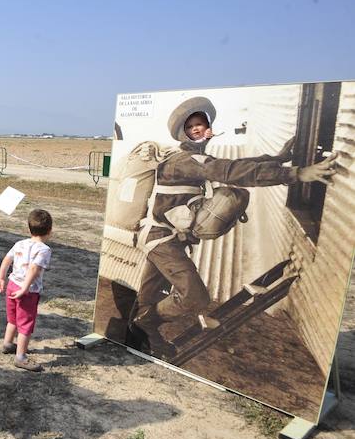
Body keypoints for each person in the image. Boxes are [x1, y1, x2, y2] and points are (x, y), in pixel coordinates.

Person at [127, 97, 338, 359]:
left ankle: (143, 338)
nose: (197, 129)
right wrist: (296, 174)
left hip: (165, 237)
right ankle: (145, 326)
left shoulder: (195, 158)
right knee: (195, 298)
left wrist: (275, 158)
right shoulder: (184, 160)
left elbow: (233, 166)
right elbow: (231, 171)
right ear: (183, 132)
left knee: (147, 298)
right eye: (191, 125)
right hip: (161, 240)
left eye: (201, 123)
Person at [0, 209, 53, 372]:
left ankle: (7, 344)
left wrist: (1, 278)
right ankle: (20, 357)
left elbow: (7, 260)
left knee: (12, 319)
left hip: (12, 285)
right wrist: (25, 288)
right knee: (25, 324)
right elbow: (34, 269)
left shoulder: (19, 243)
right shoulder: (44, 249)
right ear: (50, 231)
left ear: (29, 229)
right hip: (27, 291)